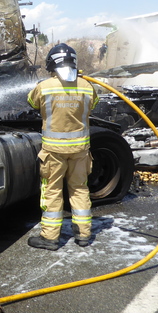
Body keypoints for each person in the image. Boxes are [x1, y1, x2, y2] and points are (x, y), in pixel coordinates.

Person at [26, 43, 99, 250]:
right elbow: (94, 104)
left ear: (52, 62)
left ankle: (50, 238)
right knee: (79, 190)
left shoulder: (44, 86)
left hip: (54, 152)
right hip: (80, 152)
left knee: (52, 192)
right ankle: (84, 235)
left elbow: (31, 103)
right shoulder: (87, 86)